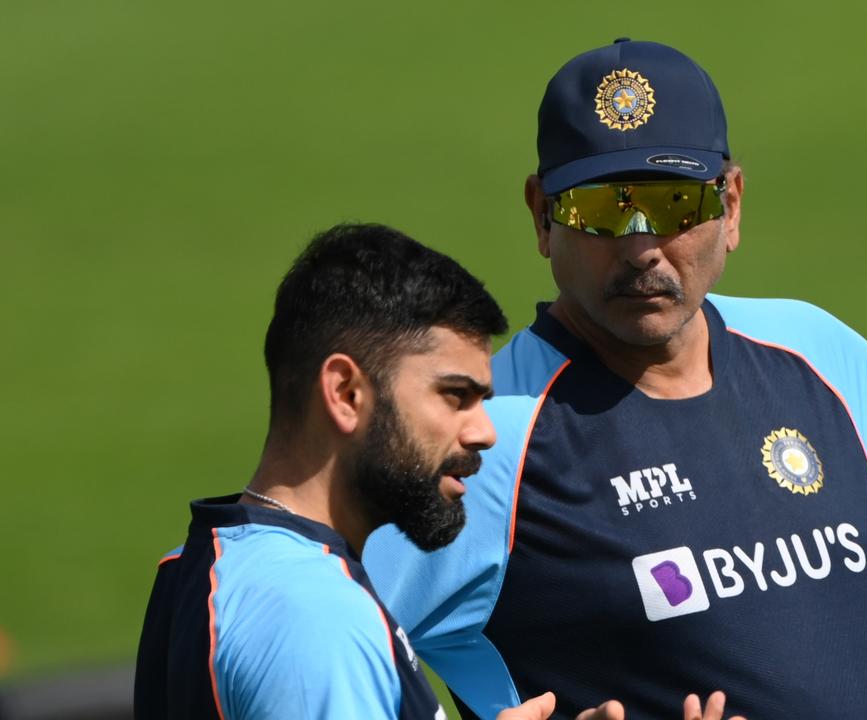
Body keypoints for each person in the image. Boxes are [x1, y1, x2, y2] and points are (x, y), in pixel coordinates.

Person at [364, 39, 867, 720]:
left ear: (730, 205)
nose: (643, 245)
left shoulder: (820, 355)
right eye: (603, 207)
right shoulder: (485, 433)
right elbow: (317, 644)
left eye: (674, 202)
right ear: (542, 215)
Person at [134, 224, 736, 720]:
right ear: (345, 392)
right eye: (455, 397)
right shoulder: (318, 623)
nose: (484, 431)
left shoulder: (204, 563)